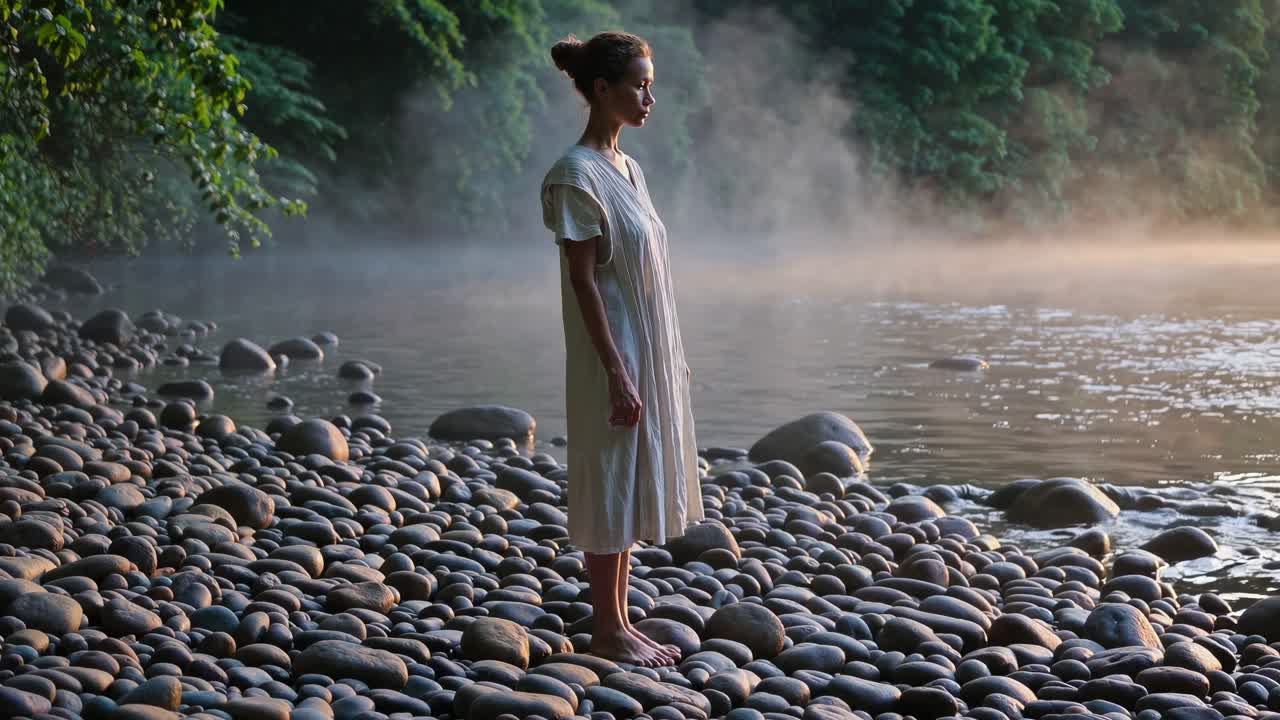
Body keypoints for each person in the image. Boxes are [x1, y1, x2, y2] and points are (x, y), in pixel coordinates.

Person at [540, 31, 703, 668]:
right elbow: (583, 280)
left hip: (645, 348)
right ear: (602, 90)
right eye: (638, 84)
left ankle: (623, 620)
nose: (648, 96)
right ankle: (605, 629)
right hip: (610, 352)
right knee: (608, 477)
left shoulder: (629, 168)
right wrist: (617, 369)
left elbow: (647, 270)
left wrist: (668, 355)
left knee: (632, 475)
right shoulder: (574, 175)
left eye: (650, 83)